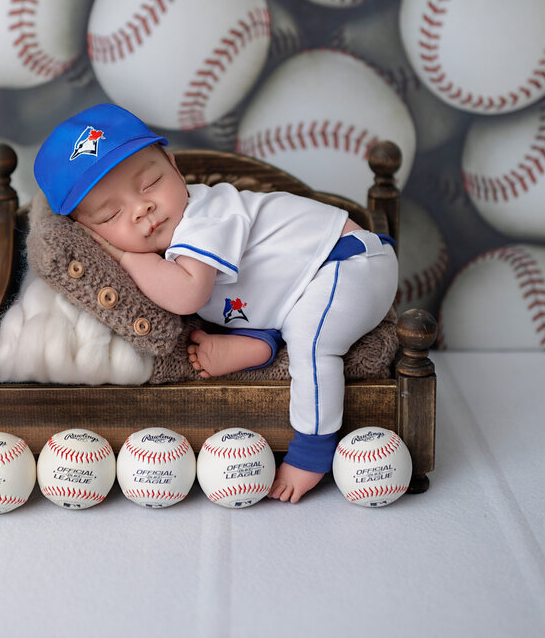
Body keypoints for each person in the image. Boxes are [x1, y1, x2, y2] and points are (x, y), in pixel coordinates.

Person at [33, 103, 398, 502]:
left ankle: (312, 452)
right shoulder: (170, 240)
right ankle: (263, 342)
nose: (141, 209)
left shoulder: (206, 215)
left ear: (175, 168)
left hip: (349, 263)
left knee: (314, 343)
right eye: (110, 214)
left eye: (150, 183)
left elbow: (189, 293)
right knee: (290, 316)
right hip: (298, 287)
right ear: (87, 233)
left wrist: (126, 256)